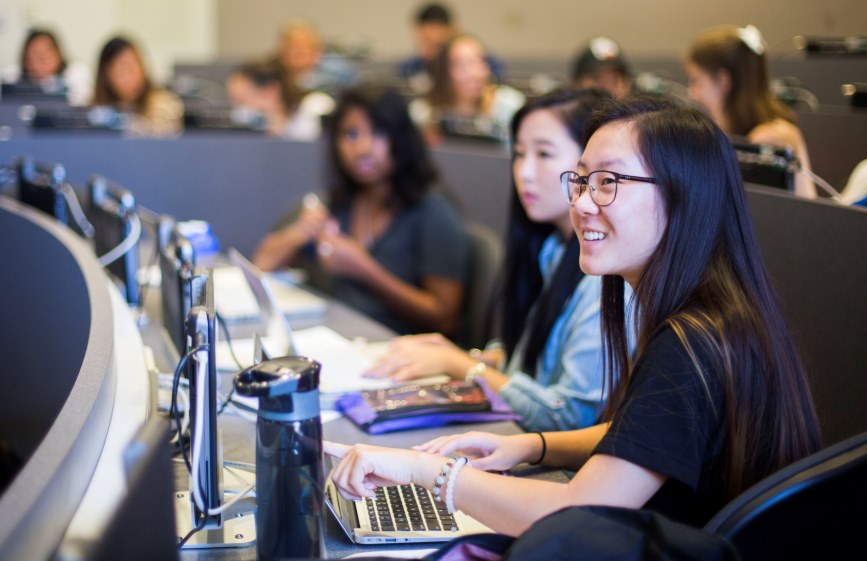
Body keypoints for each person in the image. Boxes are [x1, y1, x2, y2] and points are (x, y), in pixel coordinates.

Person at [326, 95, 822, 535]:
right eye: (581, 181)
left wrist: (424, 472)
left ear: (682, 195)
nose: (582, 203)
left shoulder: (690, 345)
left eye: (607, 182)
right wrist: (533, 447)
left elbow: (575, 515)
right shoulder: (713, 315)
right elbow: (642, 435)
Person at [367, 88, 616, 433]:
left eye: (544, 154)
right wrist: (478, 359)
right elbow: (535, 363)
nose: (524, 172)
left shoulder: (605, 276)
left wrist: (460, 365)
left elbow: (568, 418)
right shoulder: (552, 251)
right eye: (519, 154)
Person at [253, 85, 469, 336]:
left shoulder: (433, 212)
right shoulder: (339, 203)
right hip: (338, 337)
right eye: (351, 134)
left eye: (378, 133)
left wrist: (365, 269)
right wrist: (299, 233)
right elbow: (262, 263)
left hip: (397, 347)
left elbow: (443, 318)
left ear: (401, 140)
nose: (363, 148)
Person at [685, 25, 817, 198]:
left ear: (723, 80)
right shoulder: (743, 132)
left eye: (697, 81)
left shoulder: (769, 138)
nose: (692, 93)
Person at [410, 33, 525, 144]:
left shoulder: (510, 107)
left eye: (481, 61)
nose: (475, 73)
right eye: (462, 65)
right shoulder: (424, 112)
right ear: (444, 72)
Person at [398, 3, 504, 91]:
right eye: (425, 42)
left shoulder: (483, 63)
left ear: (453, 31)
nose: (432, 51)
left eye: (438, 44)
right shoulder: (410, 68)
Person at [92, 36, 183, 137]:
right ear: (105, 75)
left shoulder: (164, 105)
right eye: (121, 70)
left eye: (133, 67)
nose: (129, 76)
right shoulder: (95, 112)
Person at [226, 61, 334, 141]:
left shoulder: (315, 106)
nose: (240, 109)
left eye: (241, 100)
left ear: (271, 90)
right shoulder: (249, 121)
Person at [4, 28, 93, 106]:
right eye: (30, 59)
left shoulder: (76, 75)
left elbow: (77, 104)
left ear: (58, 55)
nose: (36, 66)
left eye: (42, 59)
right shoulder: (13, 77)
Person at [273, 19, 355, 93]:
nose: (298, 53)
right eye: (292, 48)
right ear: (282, 53)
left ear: (318, 52)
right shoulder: (272, 78)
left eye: (303, 48)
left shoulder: (337, 75)